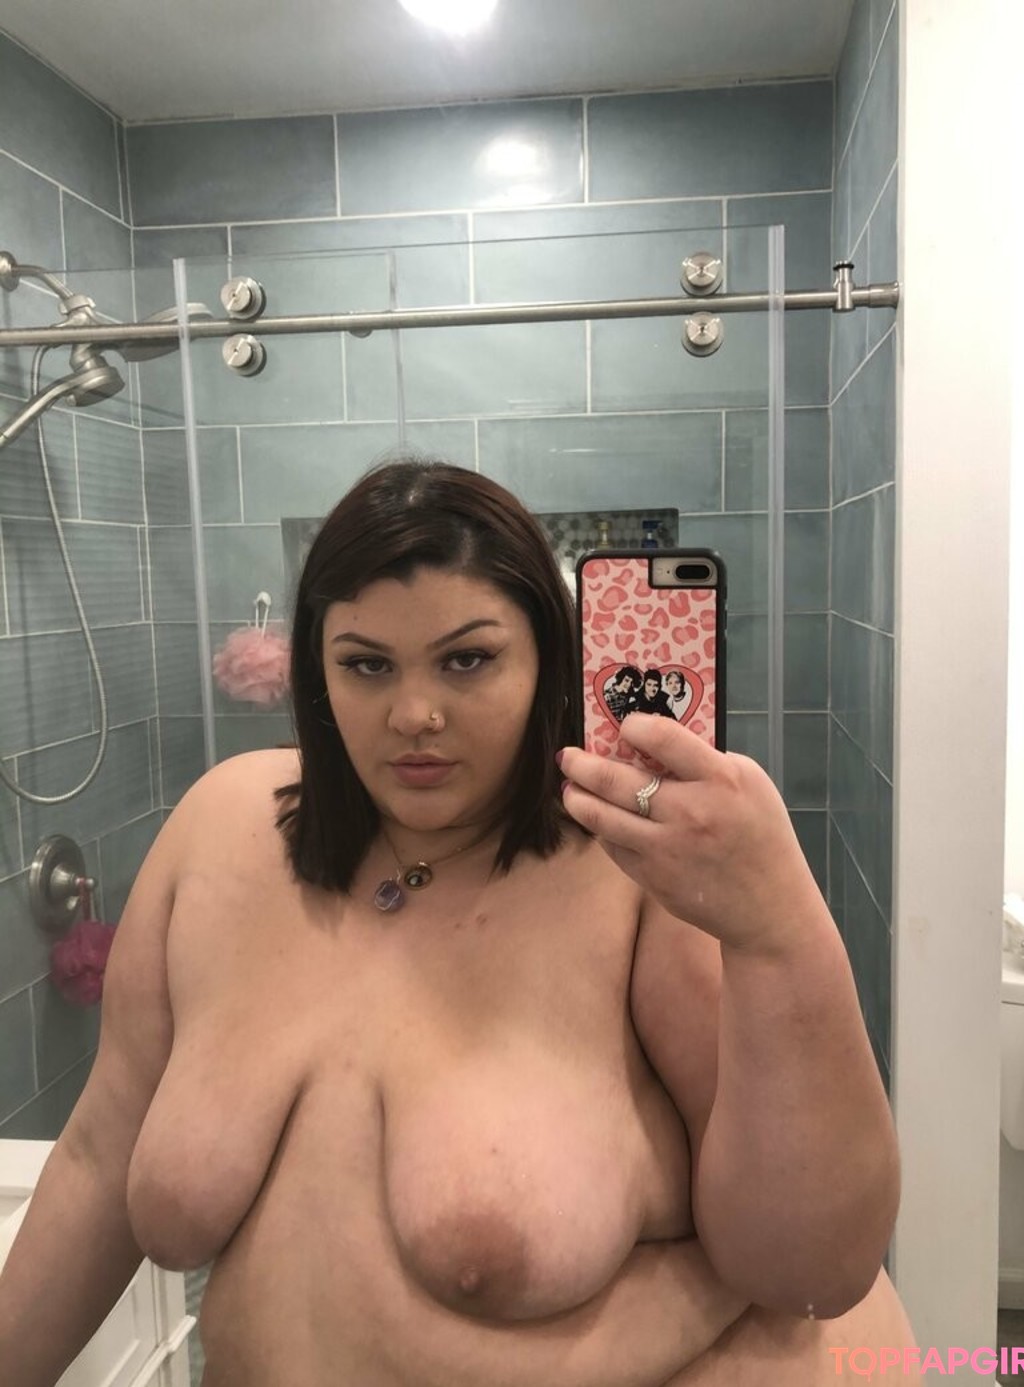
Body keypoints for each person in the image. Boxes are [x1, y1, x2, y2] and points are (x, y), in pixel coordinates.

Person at [0, 457, 914, 1386]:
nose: (414, 714)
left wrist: (779, 929)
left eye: (467, 659)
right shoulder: (219, 829)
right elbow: (95, 1161)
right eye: (366, 664)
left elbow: (811, 1271)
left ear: (547, 658)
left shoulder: (635, 872)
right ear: (316, 672)